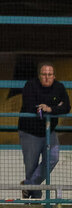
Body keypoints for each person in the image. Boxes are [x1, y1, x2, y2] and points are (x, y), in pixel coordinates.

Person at [19, 63, 70, 199]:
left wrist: (50, 109)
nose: (47, 77)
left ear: (54, 76)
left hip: (49, 131)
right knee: (31, 167)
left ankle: (28, 185)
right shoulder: (30, 86)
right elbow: (32, 107)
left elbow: (66, 107)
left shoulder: (59, 87)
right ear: (39, 76)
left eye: (49, 75)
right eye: (44, 74)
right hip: (30, 132)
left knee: (53, 158)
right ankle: (34, 203)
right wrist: (55, 107)